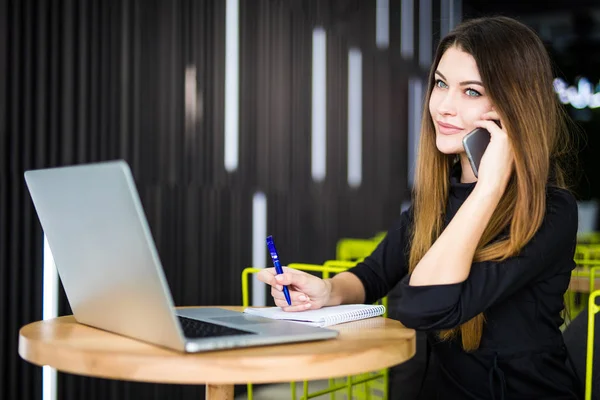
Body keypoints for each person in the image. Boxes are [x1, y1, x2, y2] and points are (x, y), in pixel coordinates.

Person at [257, 16, 581, 399]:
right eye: (441, 84)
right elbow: (372, 275)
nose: (443, 106)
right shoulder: (437, 199)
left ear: (514, 105)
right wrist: (326, 291)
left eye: (471, 91)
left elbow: (425, 306)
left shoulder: (550, 211)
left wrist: (490, 185)